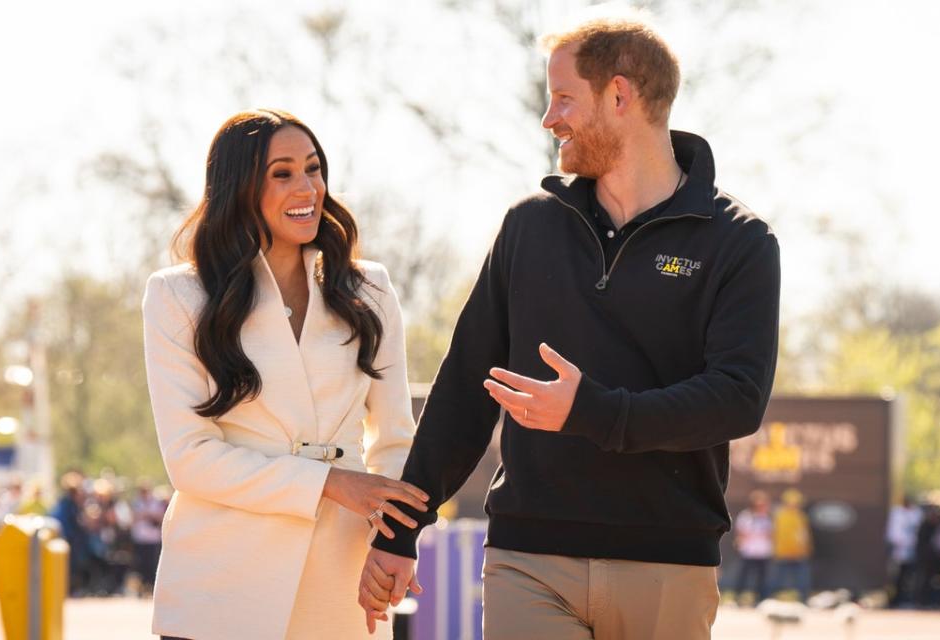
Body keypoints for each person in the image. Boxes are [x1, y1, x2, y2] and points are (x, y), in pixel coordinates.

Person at [358, 14, 780, 640]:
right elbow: (467, 385)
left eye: (563, 99)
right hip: (528, 559)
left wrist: (592, 411)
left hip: (669, 564)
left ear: (619, 96)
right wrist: (399, 532)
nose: (549, 119)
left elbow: (737, 399)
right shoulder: (529, 226)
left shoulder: (739, 241)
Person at [142, 109, 429, 640]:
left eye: (314, 168)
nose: (307, 187)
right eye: (283, 173)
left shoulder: (371, 289)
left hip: (341, 587)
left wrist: (395, 544)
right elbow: (190, 459)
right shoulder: (178, 295)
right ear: (239, 187)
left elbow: (394, 440)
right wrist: (328, 482)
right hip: (220, 586)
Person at [733, 490, 774, 605]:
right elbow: (741, 533)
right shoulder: (746, 516)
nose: (762, 506)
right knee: (743, 577)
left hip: (763, 552)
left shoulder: (768, 517)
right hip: (748, 552)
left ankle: (761, 600)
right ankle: (737, 598)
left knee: (762, 578)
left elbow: (771, 534)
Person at [771, 489, 811, 602]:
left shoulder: (801, 516)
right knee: (777, 578)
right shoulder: (779, 515)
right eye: (792, 501)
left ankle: (804, 599)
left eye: (796, 502)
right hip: (782, 552)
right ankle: (773, 599)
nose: (794, 504)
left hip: (799, 553)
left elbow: (805, 534)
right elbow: (775, 533)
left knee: (802, 579)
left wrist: (806, 549)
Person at [887, 494, 923, 607]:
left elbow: (918, 530)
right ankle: (894, 599)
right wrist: (902, 543)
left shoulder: (916, 513)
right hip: (898, 550)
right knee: (896, 576)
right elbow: (893, 533)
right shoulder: (897, 513)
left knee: (910, 576)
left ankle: (907, 598)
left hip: (914, 550)